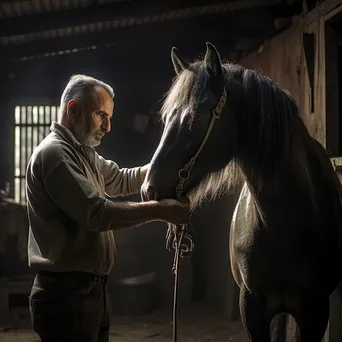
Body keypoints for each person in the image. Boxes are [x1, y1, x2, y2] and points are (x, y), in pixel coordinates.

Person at [26, 74, 190, 342]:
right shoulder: (55, 155)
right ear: (73, 110)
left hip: (87, 292)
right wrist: (160, 210)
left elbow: (119, 179)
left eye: (109, 117)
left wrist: (162, 170)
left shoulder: (81, 152)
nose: (108, 126)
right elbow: (98, 214)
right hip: (66, 297)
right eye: (101, 115)